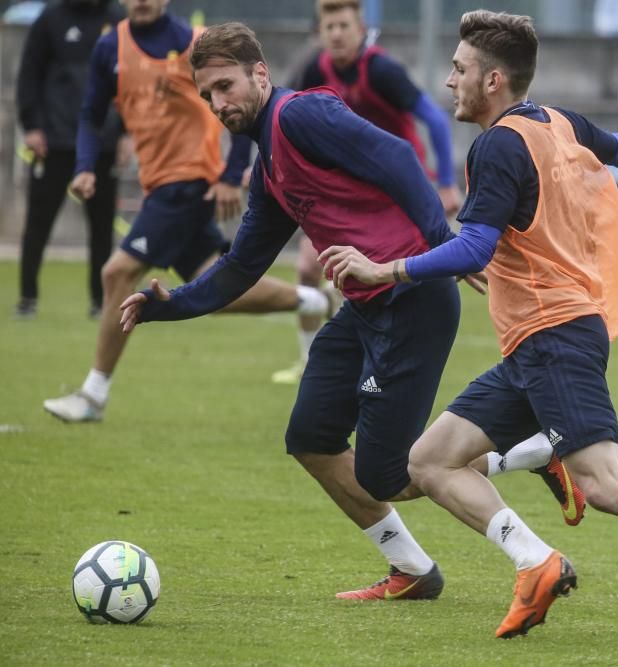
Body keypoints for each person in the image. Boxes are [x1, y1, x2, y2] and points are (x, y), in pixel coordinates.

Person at [324, 9, 618, 656]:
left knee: (605, 482)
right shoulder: (558, 120)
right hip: (539, 340)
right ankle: (536, 559)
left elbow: (474, 247)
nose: (449, 79)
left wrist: (388, 267)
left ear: (492, 80)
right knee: (430, 461)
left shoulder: (495, 145)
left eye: (459, 69)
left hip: (554, 335)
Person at [119, 21, 582, 601]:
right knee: (310, 436)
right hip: (363, 311)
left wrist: (442, 242)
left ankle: (530, 452)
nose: (218, 103)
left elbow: (396, 154)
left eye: (226, 86)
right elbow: (241, 267)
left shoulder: (300, 116)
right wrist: (170, 306)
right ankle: (412, 569)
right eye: (208, 93)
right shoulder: (270, 168)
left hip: (411, 302)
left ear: (260, 75)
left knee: (391, 472)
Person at [42, 0, 331, 423]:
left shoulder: (197, 46)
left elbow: (243, 106)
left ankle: (93, 394)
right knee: (213, 286)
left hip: (190, 184)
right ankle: (312, 299)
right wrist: (85, 167)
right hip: (159, 184)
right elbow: (90, 113)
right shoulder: (111, 48)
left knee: (117, 273)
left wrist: (231, 175)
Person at [270, 0, 462, 385]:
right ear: (320, 32)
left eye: (344, 25)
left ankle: (389, 365)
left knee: (393, 279)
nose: (337, 34)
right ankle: (310, 359)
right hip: (346, 195)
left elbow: (436, 122)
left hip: (397, 193)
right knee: (308, 268)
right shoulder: (315, 69)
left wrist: (445, 182)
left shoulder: (382, 70)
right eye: (330, 27)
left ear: (361, 29)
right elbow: (277, 118)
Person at [14, 0, 124, 320]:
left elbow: (127, 80)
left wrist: (127, 133)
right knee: (38, 223)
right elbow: (29, 73)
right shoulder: (51, 17)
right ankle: (27, 298)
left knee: (102, 228)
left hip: (103, 145)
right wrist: (32, 125)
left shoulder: (117, 18)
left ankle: (98, 301)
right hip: (54, 141)